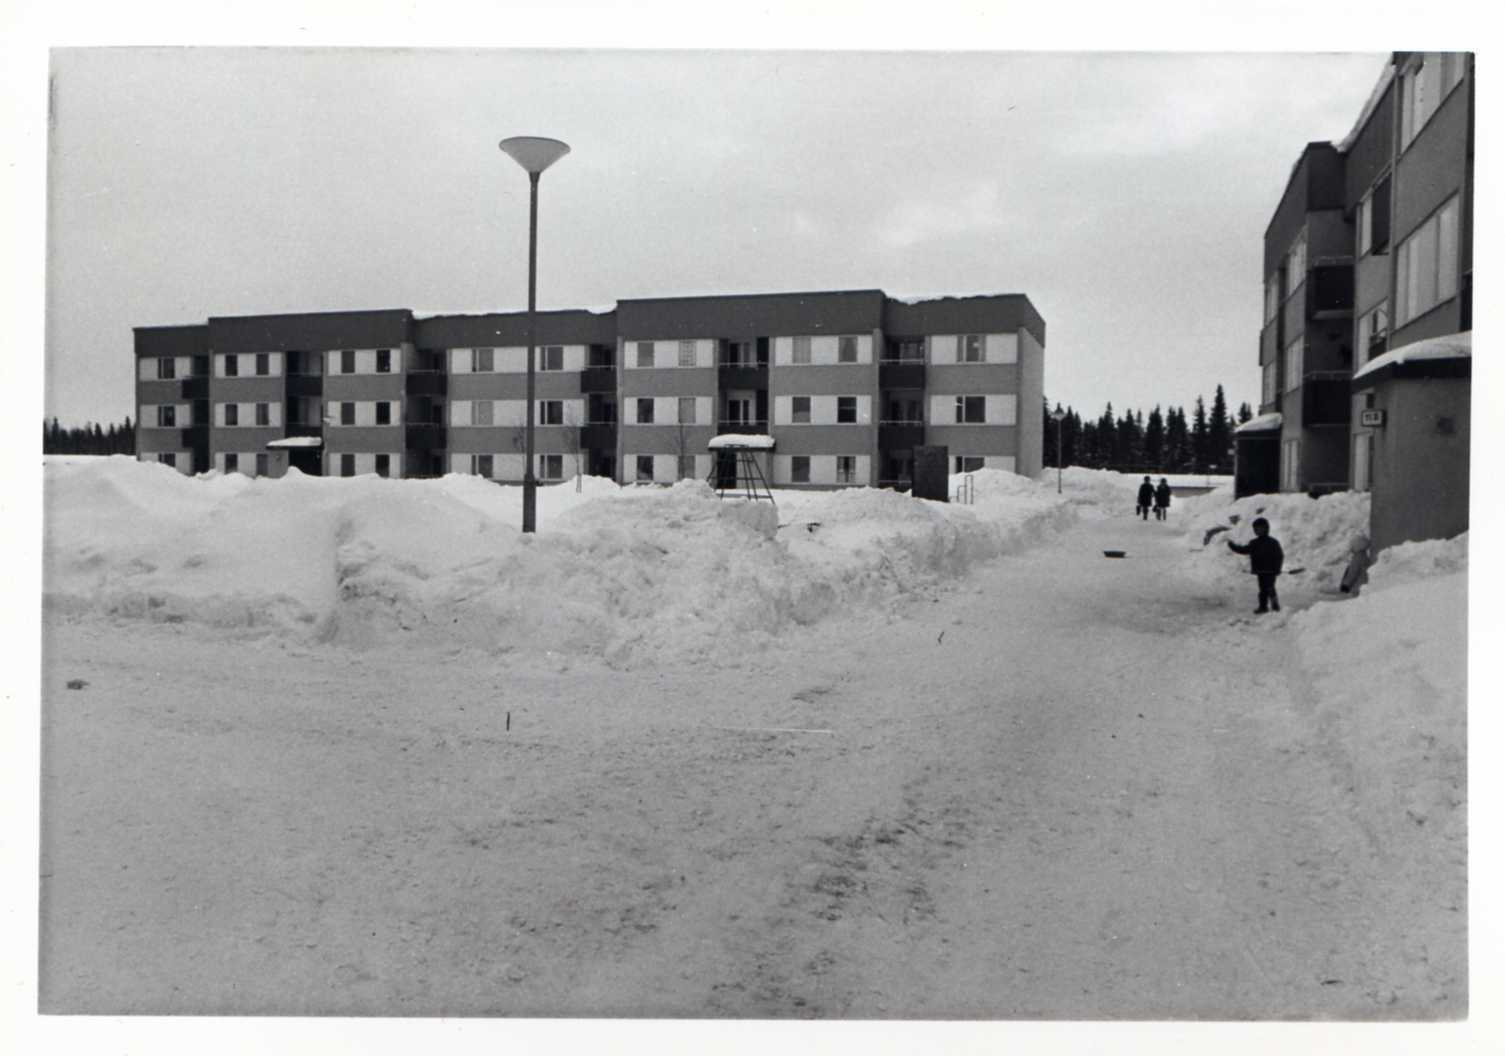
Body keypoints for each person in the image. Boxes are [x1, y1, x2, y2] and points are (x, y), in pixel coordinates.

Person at [1226, 516, 1284, 614]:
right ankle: (1263, 607)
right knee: (1262, 590)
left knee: (1270, 588)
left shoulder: (1273, 542)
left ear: (1266, 529)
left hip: (1270, 571)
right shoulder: (1254, 543)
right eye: (1256, 529)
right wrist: (1233, 546)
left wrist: (1277, 568)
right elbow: (1243, 550)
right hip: (1260, 571)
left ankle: (1275, 606)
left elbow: (1279, 556)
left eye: (1260, 528)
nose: (1258, 531)